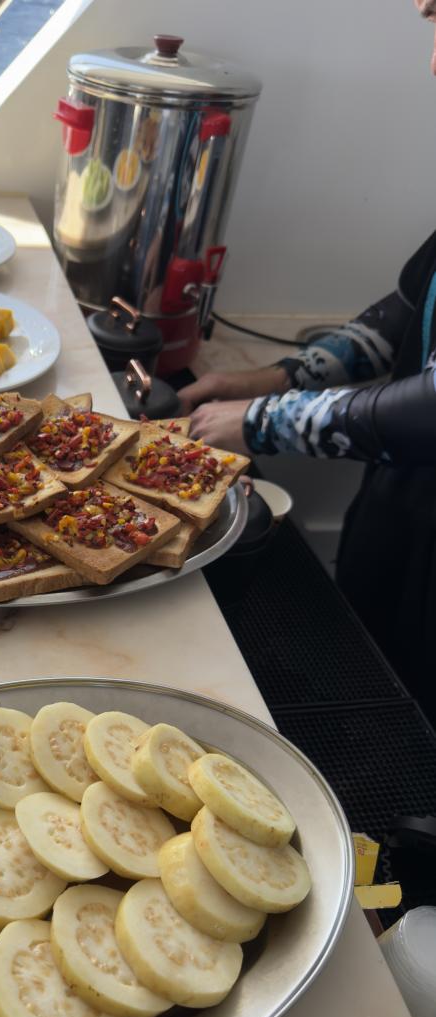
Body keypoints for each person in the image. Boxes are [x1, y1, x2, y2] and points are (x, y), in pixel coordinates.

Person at [179, 0, 436, 725]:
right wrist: (275, 377)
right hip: (399, 513)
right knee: (373, 689)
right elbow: (408, 307)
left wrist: (262, 421)